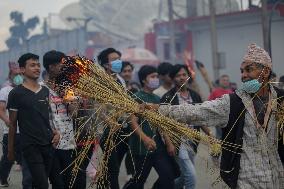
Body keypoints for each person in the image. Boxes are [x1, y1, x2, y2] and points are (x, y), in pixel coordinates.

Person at [147, 44, 284, 189]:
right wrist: (159, 109)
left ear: (266, 71)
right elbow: (197, 111)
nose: (243, 75)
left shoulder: (280, 100)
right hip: (246, 179)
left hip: (277, 177)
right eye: (242, 71)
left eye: (249, 70)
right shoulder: (232, 102)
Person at [7, 53, 60, 189]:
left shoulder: (45, 91)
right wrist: (10, 150)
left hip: (48, 144)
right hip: (30, 146)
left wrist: (56, 132)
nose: (37, 68)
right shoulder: (16, 94)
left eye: (38, 65)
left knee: (40, 183)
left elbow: (48, 117)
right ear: (22, 69)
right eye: (32, 65)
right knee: (42, 184)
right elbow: (12, 124)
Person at [123, 65, 176, 189]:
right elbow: (133, 122)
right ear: (143, 80)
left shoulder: (157, 99)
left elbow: (160, 123)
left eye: (157, 76)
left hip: (158, 147)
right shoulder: (136, 97)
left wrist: (169, 143)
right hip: (141, 147)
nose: (156, 79)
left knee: (169, 176)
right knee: (138, 182)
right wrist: (145, 139)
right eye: (152, 77)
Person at [161, 64, 212, 189]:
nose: (182, 78)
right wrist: (169, 143)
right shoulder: (168, 97)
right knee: (192, 175)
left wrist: (210, 135)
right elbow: (162, 123)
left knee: (184, 175)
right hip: (178, 140)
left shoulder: (195, 95)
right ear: (173, 78)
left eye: (184, 74)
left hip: (192, 140)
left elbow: (199, 118)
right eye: (178, 75)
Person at [97, 48, 130, 189]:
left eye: (119, 58)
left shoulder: (120, 80)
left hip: (122, 128)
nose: (118, 62)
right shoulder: (100, 81)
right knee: (113, 167)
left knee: (111, 165)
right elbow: (97, 109)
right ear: (105, 64)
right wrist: (110, 122)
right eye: (114, 59)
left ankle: (102, 185)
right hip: (106, 130)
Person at [0, 62, 33, 188]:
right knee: (8, 158)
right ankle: (3, 178)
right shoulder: (5, 91)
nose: (18, 76)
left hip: (26, 132)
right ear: (10, 76)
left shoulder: (29, 89)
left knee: (26, 159)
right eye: (16, 74)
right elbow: (1, 109)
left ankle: (28, 183)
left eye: (20, 74)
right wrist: (8, 121)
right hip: (11, 132)